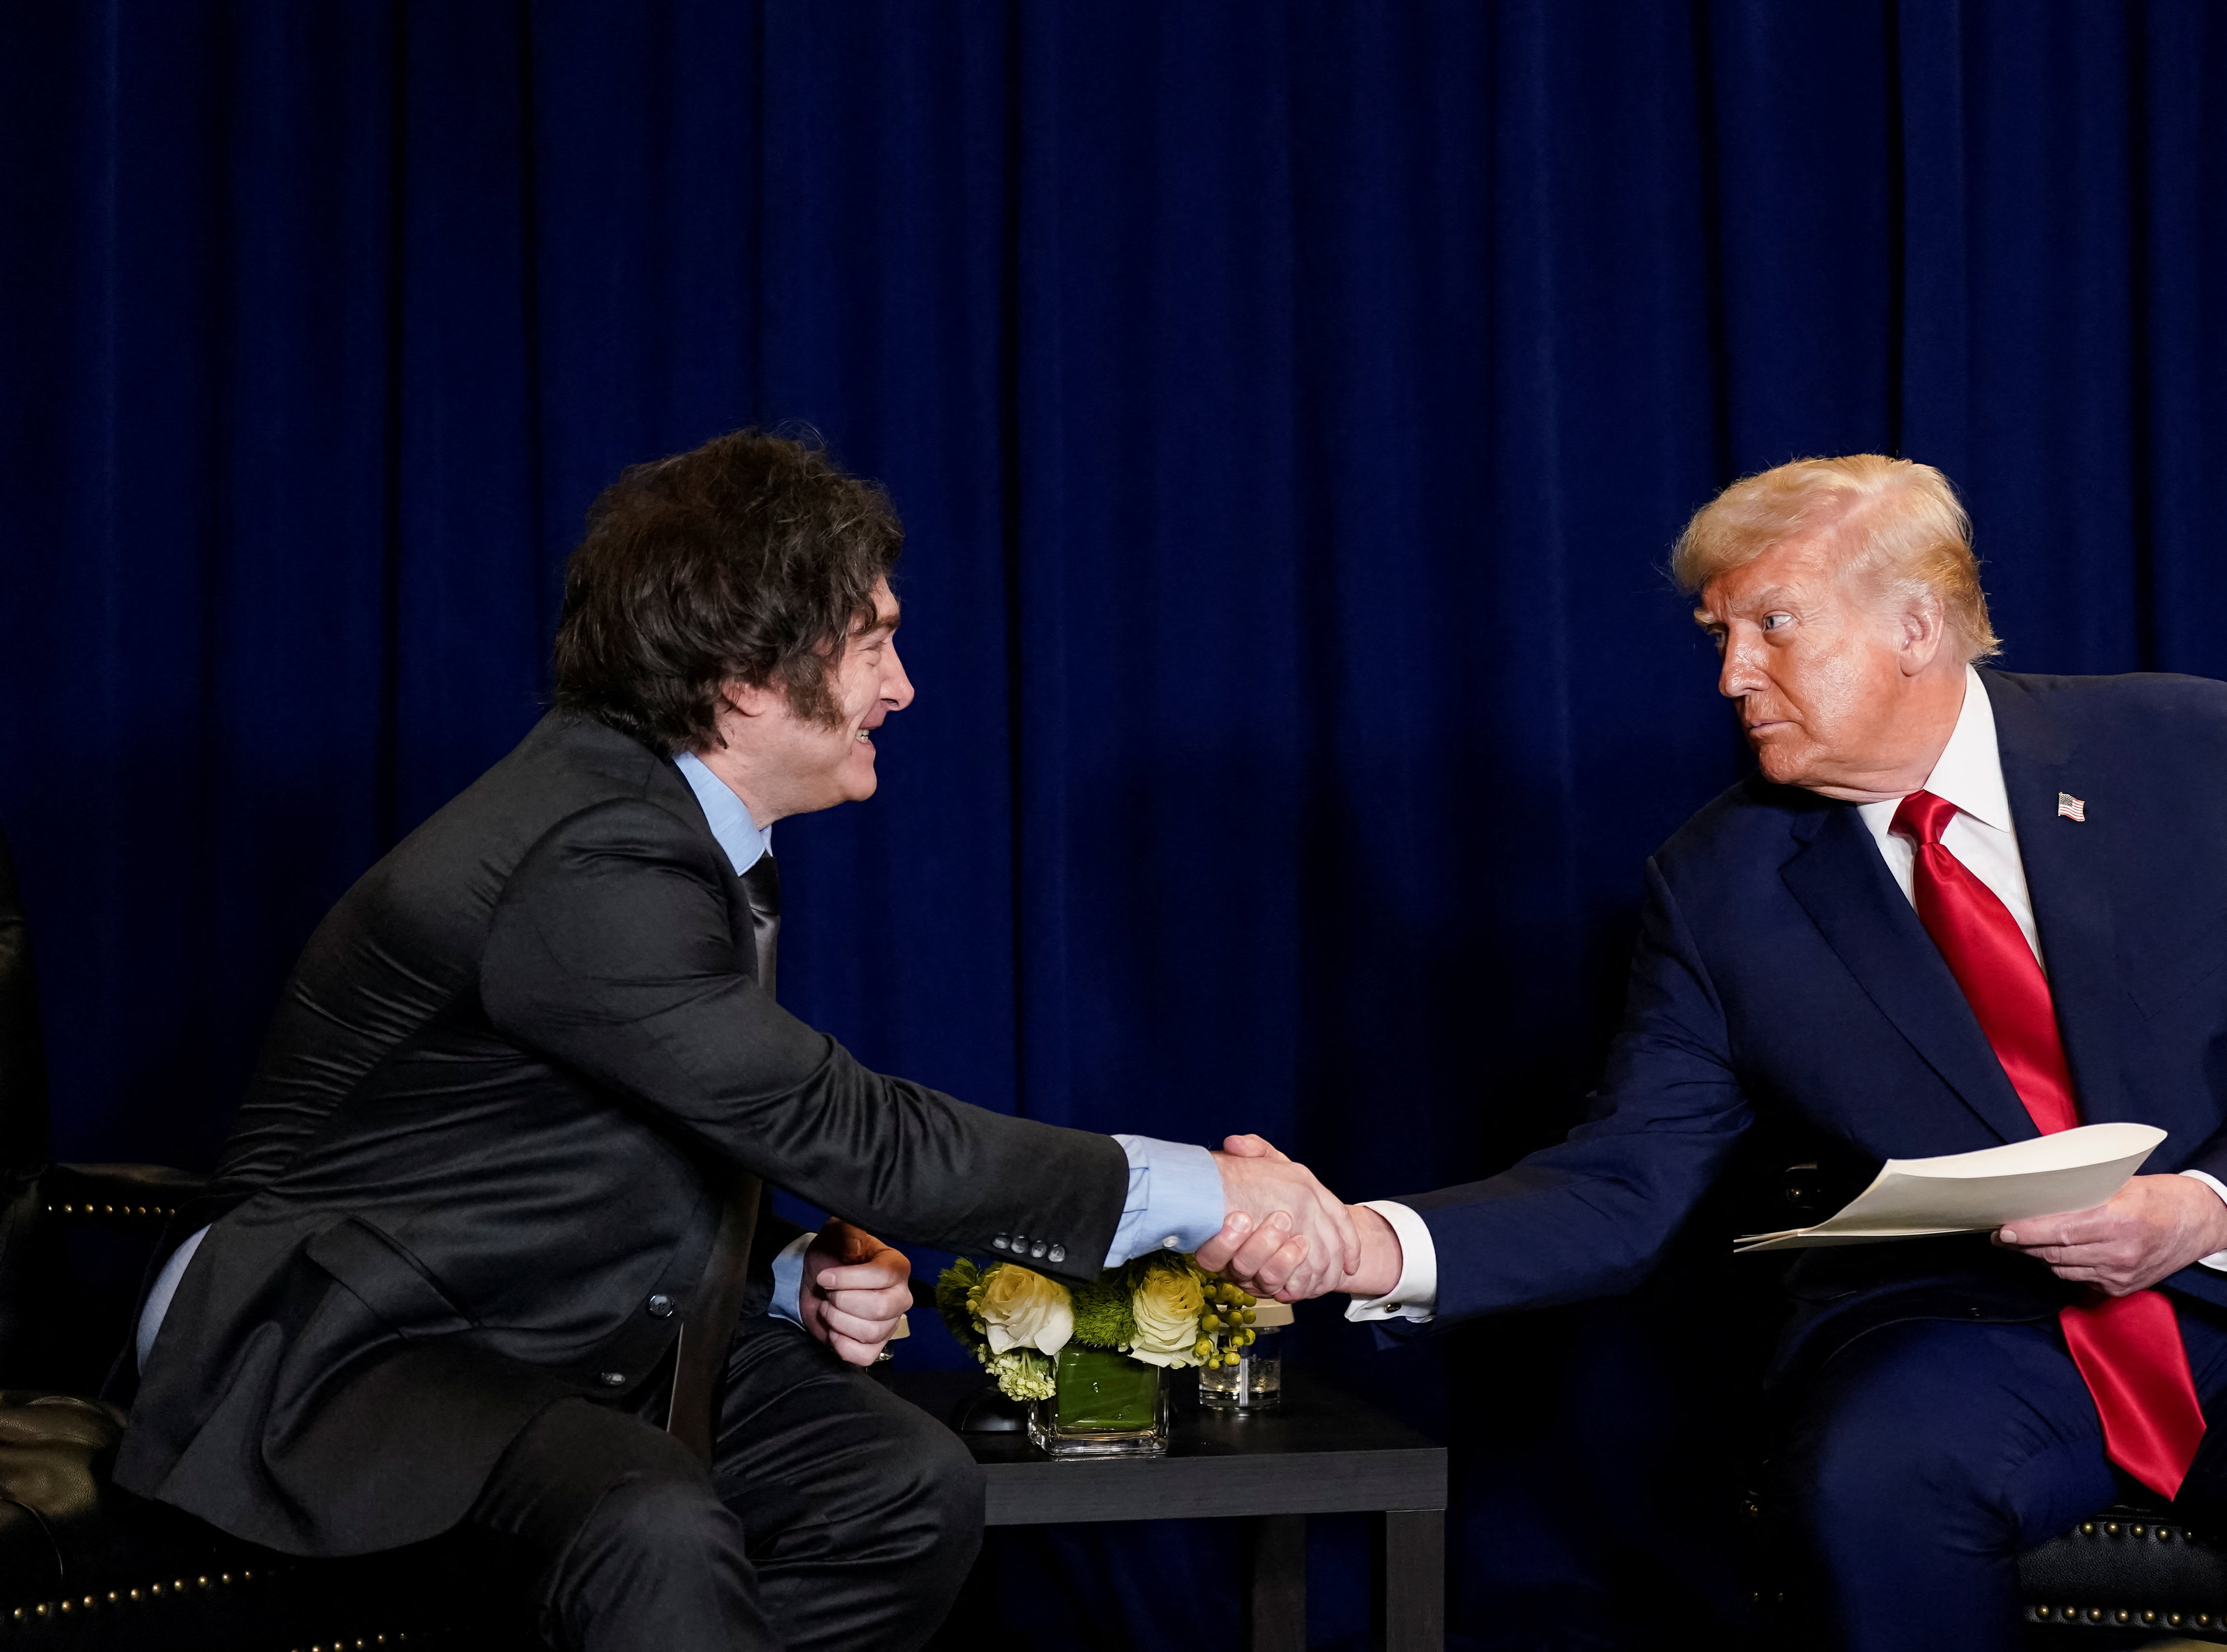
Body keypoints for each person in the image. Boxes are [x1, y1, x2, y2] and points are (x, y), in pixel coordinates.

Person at [1205, 454, 2227, 1650]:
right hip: (1966, 1331)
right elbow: (1622, 1183)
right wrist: (1364, 1245)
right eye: (1720, 636)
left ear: (1915, 623)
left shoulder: (2189, 747)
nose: (1732, 674)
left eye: (1772, 627)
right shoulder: (1717, 883)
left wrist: (2203, 1206)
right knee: (1865, 1475)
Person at [115, 431, 1356, 1652]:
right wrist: (1208, 1192)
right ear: (746, 676)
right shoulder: (590, 853)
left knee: (900, 1489)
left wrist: (779, 1269)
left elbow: (574, 1133)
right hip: (344, 1344)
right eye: (873, 643)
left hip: (534, 1306)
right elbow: (839, 1124)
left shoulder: (654, 818)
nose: (903, 686)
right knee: (646, 1526)